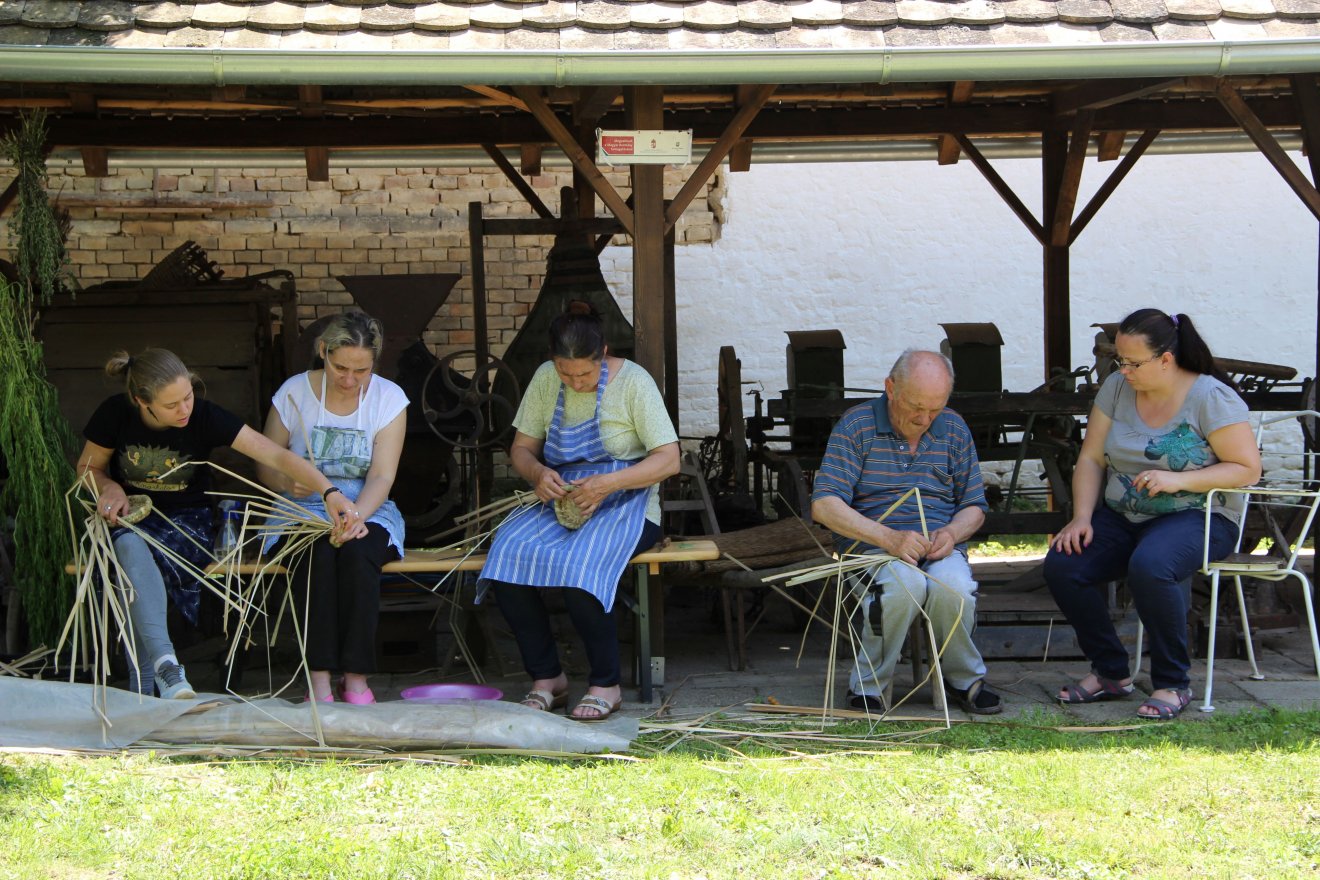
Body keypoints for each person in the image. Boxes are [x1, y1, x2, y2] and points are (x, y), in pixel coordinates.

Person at [79, 348, 356, 699]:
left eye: (188, 397)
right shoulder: (114, 415)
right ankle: (166, 667)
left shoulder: (205, 417)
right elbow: (88, 469)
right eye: (171, 405)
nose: (184, 410)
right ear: (140, 401)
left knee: (130, 560)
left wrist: (329, 491)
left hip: (185, 522)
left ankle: (148, 683)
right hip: (128, 519)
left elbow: (275, 454)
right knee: (127, 546)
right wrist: (108, 486)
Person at [1044, 309, 1261, 720]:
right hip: (1125, 512)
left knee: (1151, 565)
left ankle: (1172, 683)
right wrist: (1083, 517)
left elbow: (1247, 469)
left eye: (1132, 362)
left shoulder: (1210, 397)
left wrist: (1178, 480)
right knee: (1063, 564)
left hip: (1198, 515)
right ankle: (1111, 672)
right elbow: (1090, 458)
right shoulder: (1116, 388)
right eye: (1118, 360)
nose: (1122, 370)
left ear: (1166, 359)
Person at [479, 301, 680, 721]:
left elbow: (668, 459)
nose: (575, 381)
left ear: (603, 352)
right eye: (565, 373)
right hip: (560, 497)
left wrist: (609, 483)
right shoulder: (545, 379)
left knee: (581, 562)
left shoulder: (633, 382)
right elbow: (521, 449)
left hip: (630, 502)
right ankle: (547, 677)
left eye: (585, 374)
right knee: (506, 555)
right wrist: (537, 474)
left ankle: (605, 683)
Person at [812, 349, 1001, 715]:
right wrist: (888, 538)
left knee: (954, 588)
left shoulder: (953, 428)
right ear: (890, 388)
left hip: (937, 544)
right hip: (872, 548)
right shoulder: (857, 426)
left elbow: (975, 505)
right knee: (904, 586)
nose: (924, 418)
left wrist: (952, 533)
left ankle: (963, 680)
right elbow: (824, 505)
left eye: (935, 408)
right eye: (916, 406)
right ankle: (868, 686)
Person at [259, 311, 408, 705]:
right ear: (322, 352)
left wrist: (357, 514)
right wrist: (281, 482)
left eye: (361, 370)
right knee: (315, 557)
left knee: (359, 555)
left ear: (373, 362)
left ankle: (356, 679)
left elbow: (381, 475)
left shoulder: (388, 399)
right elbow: (266, 459)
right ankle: (320, 679)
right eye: (340, 367)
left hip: (367, 504)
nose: (349, 379)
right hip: (301, 507)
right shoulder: (293, 392)